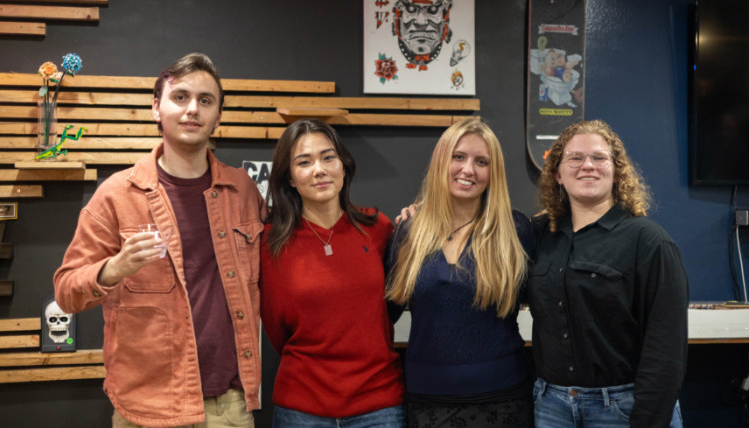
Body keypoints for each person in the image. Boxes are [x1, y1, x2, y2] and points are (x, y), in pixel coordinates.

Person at [54, 53, 265, 428]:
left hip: (228, 406)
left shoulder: (243, 190)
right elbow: (66, 291)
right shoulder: (117, 194)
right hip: (146, 410)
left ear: (217, 117)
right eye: (180, 97)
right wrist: (113, 269)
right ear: (157, 108)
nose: (192, 110)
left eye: (205, 100)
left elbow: (288, 250)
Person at [528, 119, 688, 427]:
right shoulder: (540, 236)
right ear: (558, 174)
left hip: (623, 409)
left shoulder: (649, 241)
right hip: (551, 408)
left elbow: (666, 350)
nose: (587, 165)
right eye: (575, 158)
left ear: (616, 172)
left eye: (599, 157)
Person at [386, 117, 534, 427]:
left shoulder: (515, 230)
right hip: (427, 401)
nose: (468, 170)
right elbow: (386, 312)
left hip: (504, 399)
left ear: (493, 173)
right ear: (442, 161)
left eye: (482, 162)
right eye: (459, 157)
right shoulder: (409, 230)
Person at [260, 119, 405, 427]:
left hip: (378, 404)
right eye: (304, 161)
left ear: (343, 166)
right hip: (301, 407)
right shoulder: (270, 241)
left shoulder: (378, 228)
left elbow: (389, 308)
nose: (319, 169)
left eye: (328, 157)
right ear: (289, 179)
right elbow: (275, 326)